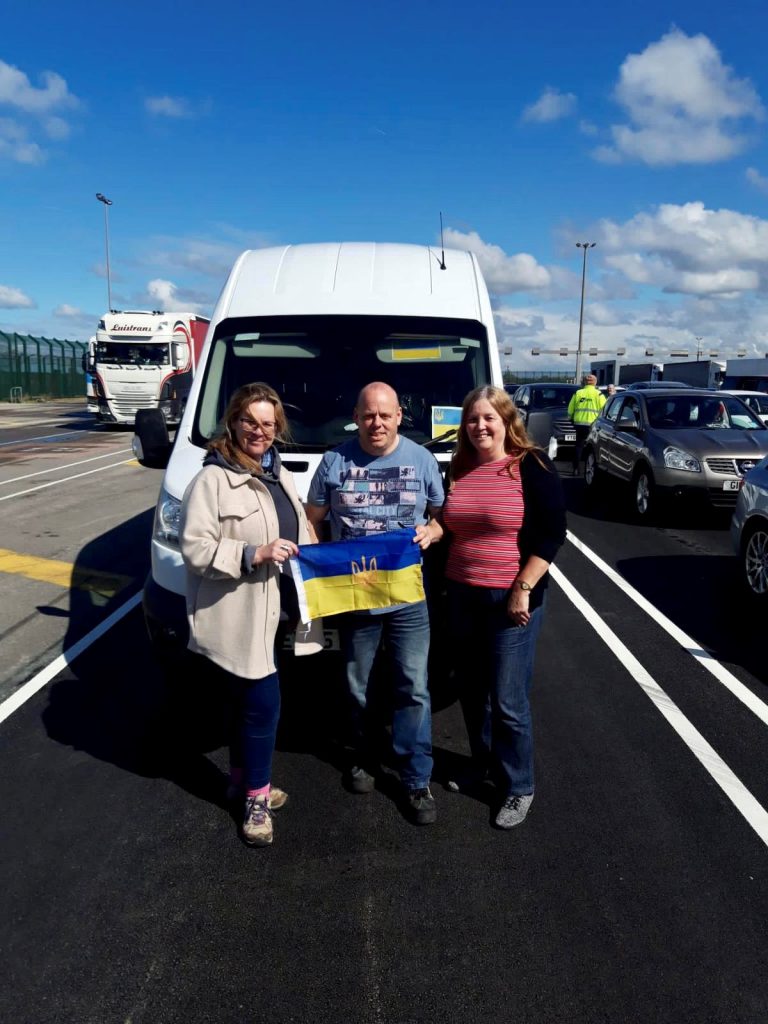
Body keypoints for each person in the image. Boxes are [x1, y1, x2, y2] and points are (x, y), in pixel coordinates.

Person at [179, 382, 324, 847]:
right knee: (264, 706)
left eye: (268, 423)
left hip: (274, 611)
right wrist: (253, 552)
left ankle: (240, 781)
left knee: (245, 705)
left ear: (277, 427)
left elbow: (299, 526)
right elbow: (195, 549)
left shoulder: (278, 474)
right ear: (233, 423)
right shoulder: (212, 479)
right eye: (249, 422)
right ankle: (256, 803)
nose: (258, 432)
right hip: (236, 614)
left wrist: (320, 557)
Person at [306, 382, 444, 825]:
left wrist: (434, 532)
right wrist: (312, 561)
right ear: (356, 417)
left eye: (385, 415)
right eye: (368, 415)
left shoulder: (422, 460)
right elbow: (312, 523)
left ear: (399, 416)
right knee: (357, 685)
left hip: (407, 598)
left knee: (414, 686)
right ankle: (362, 757)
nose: (377, 423)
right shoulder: (334, 462)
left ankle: (415, 775)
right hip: (354, 597)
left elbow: (441, 516)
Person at [439, 385, 566, 829]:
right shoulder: (459, 466)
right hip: (462, 593)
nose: (480, 427)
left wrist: (522, 587)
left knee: (508, 699)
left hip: (512, 599)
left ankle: (518, 785)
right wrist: (431, 531)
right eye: (472, 419)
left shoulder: (530, 466)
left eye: (489, 418)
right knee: (473, 693)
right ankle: (485, 764)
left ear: (506, 421)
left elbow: (552, 534)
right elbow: (449, 521)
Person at [568, 373, 606, 475]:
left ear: (585, 382)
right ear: (595, 382)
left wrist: (571, 419)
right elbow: (604, 410)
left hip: (579, 424)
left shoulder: (578, 393)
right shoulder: (599, 395)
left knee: (578, 446)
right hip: (593, 425)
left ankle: (576, 469)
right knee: (592, 448)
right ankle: (590, 469)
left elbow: (570, 410)